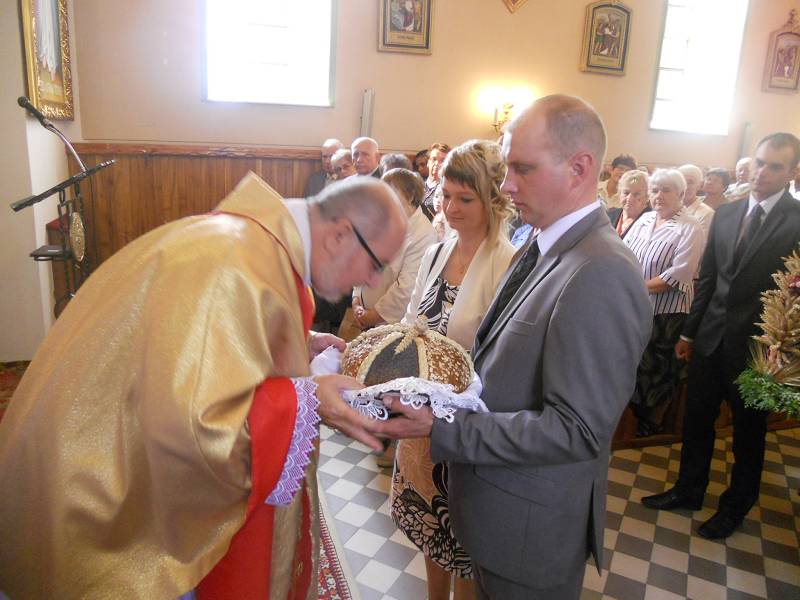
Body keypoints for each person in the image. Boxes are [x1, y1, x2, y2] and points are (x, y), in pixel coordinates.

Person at [0, 174, 408, 599]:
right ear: (339, 235)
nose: (372, 282)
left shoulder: (256, 248)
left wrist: (299, 344)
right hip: (100, 502)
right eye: (376, 265)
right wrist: (307, 399)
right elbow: (197, 428)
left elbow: (199, 342)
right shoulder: (236, 263)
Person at [371, 95, 652, 600]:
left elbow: (577, 430)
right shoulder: (547, 245)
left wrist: (443, 426)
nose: (506, 186)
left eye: (523, 169)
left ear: (579, 168)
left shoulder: (601, 270)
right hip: (495, 513)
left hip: (528, 532)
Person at [641, 133, 800, 539]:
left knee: (748, 432)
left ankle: (735, 506)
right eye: (760, 162)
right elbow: (708, 279)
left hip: (760, 348)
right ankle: (689, 489)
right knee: (697, 420)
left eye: (775, 167)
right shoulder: (726, 215)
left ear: (792, 172)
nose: (762, 173)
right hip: (711, 338)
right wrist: (690, 334)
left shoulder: (796, 220)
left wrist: (785, 351)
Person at [391, 140, 515, 600]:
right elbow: (412, 322)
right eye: (446, 196)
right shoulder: (437, 253)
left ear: (492, 200)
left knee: (461, 537)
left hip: (464, 419)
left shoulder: (507, 262)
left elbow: (498, 355)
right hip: (421, 412)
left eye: (466, 198)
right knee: (428, 527)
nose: (451, 207)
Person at [624, 169, 706, 437]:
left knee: (657, 371)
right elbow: (624, 254)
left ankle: (651, 425)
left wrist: (635, 287)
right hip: (636, 307)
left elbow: (678, 275)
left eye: (667, 190)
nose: (659, 195)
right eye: (655, 190)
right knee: (634, 363)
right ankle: (631, 420)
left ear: (681, 194)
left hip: (667, 314)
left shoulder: (690, 227)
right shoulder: (645, 219)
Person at [339, 168, 437, 341]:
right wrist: (356, 300)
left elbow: (406, 288)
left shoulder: (424, 234)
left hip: (390, 326)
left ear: (410, 196)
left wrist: (373, 316)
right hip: (361, 315)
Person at [607, 168, 650, 238]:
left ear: (647, 197)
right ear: (619, 193)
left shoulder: (652, 222)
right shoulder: (608, 217)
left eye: (636, 194)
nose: (629, 199)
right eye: (626, 193)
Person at [678, 164, 714, 235]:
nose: (685, 187)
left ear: (699, 185)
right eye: (681, 182)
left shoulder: (707, 214)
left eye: (690, 182)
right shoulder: (669, 208)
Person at [421, 143, 451, 220]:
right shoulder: (418, 185)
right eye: (434, 159)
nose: (437, 164)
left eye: (442, 160)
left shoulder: (449, 190)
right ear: (428, 162)